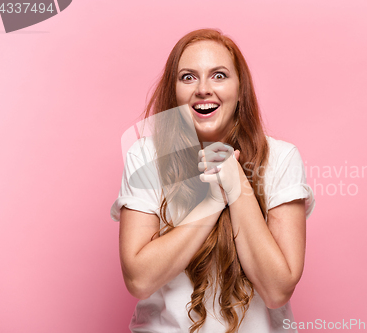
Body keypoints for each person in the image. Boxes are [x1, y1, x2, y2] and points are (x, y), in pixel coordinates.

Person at [110, 28, 315, 333]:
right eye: (188, 77)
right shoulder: (146, 156)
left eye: (219, 75)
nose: (203, 89)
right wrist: (212, 201)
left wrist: (238, 187)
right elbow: (139, 280)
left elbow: (276, 291)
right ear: (174, 90)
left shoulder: (281, 158)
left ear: (240, 89)